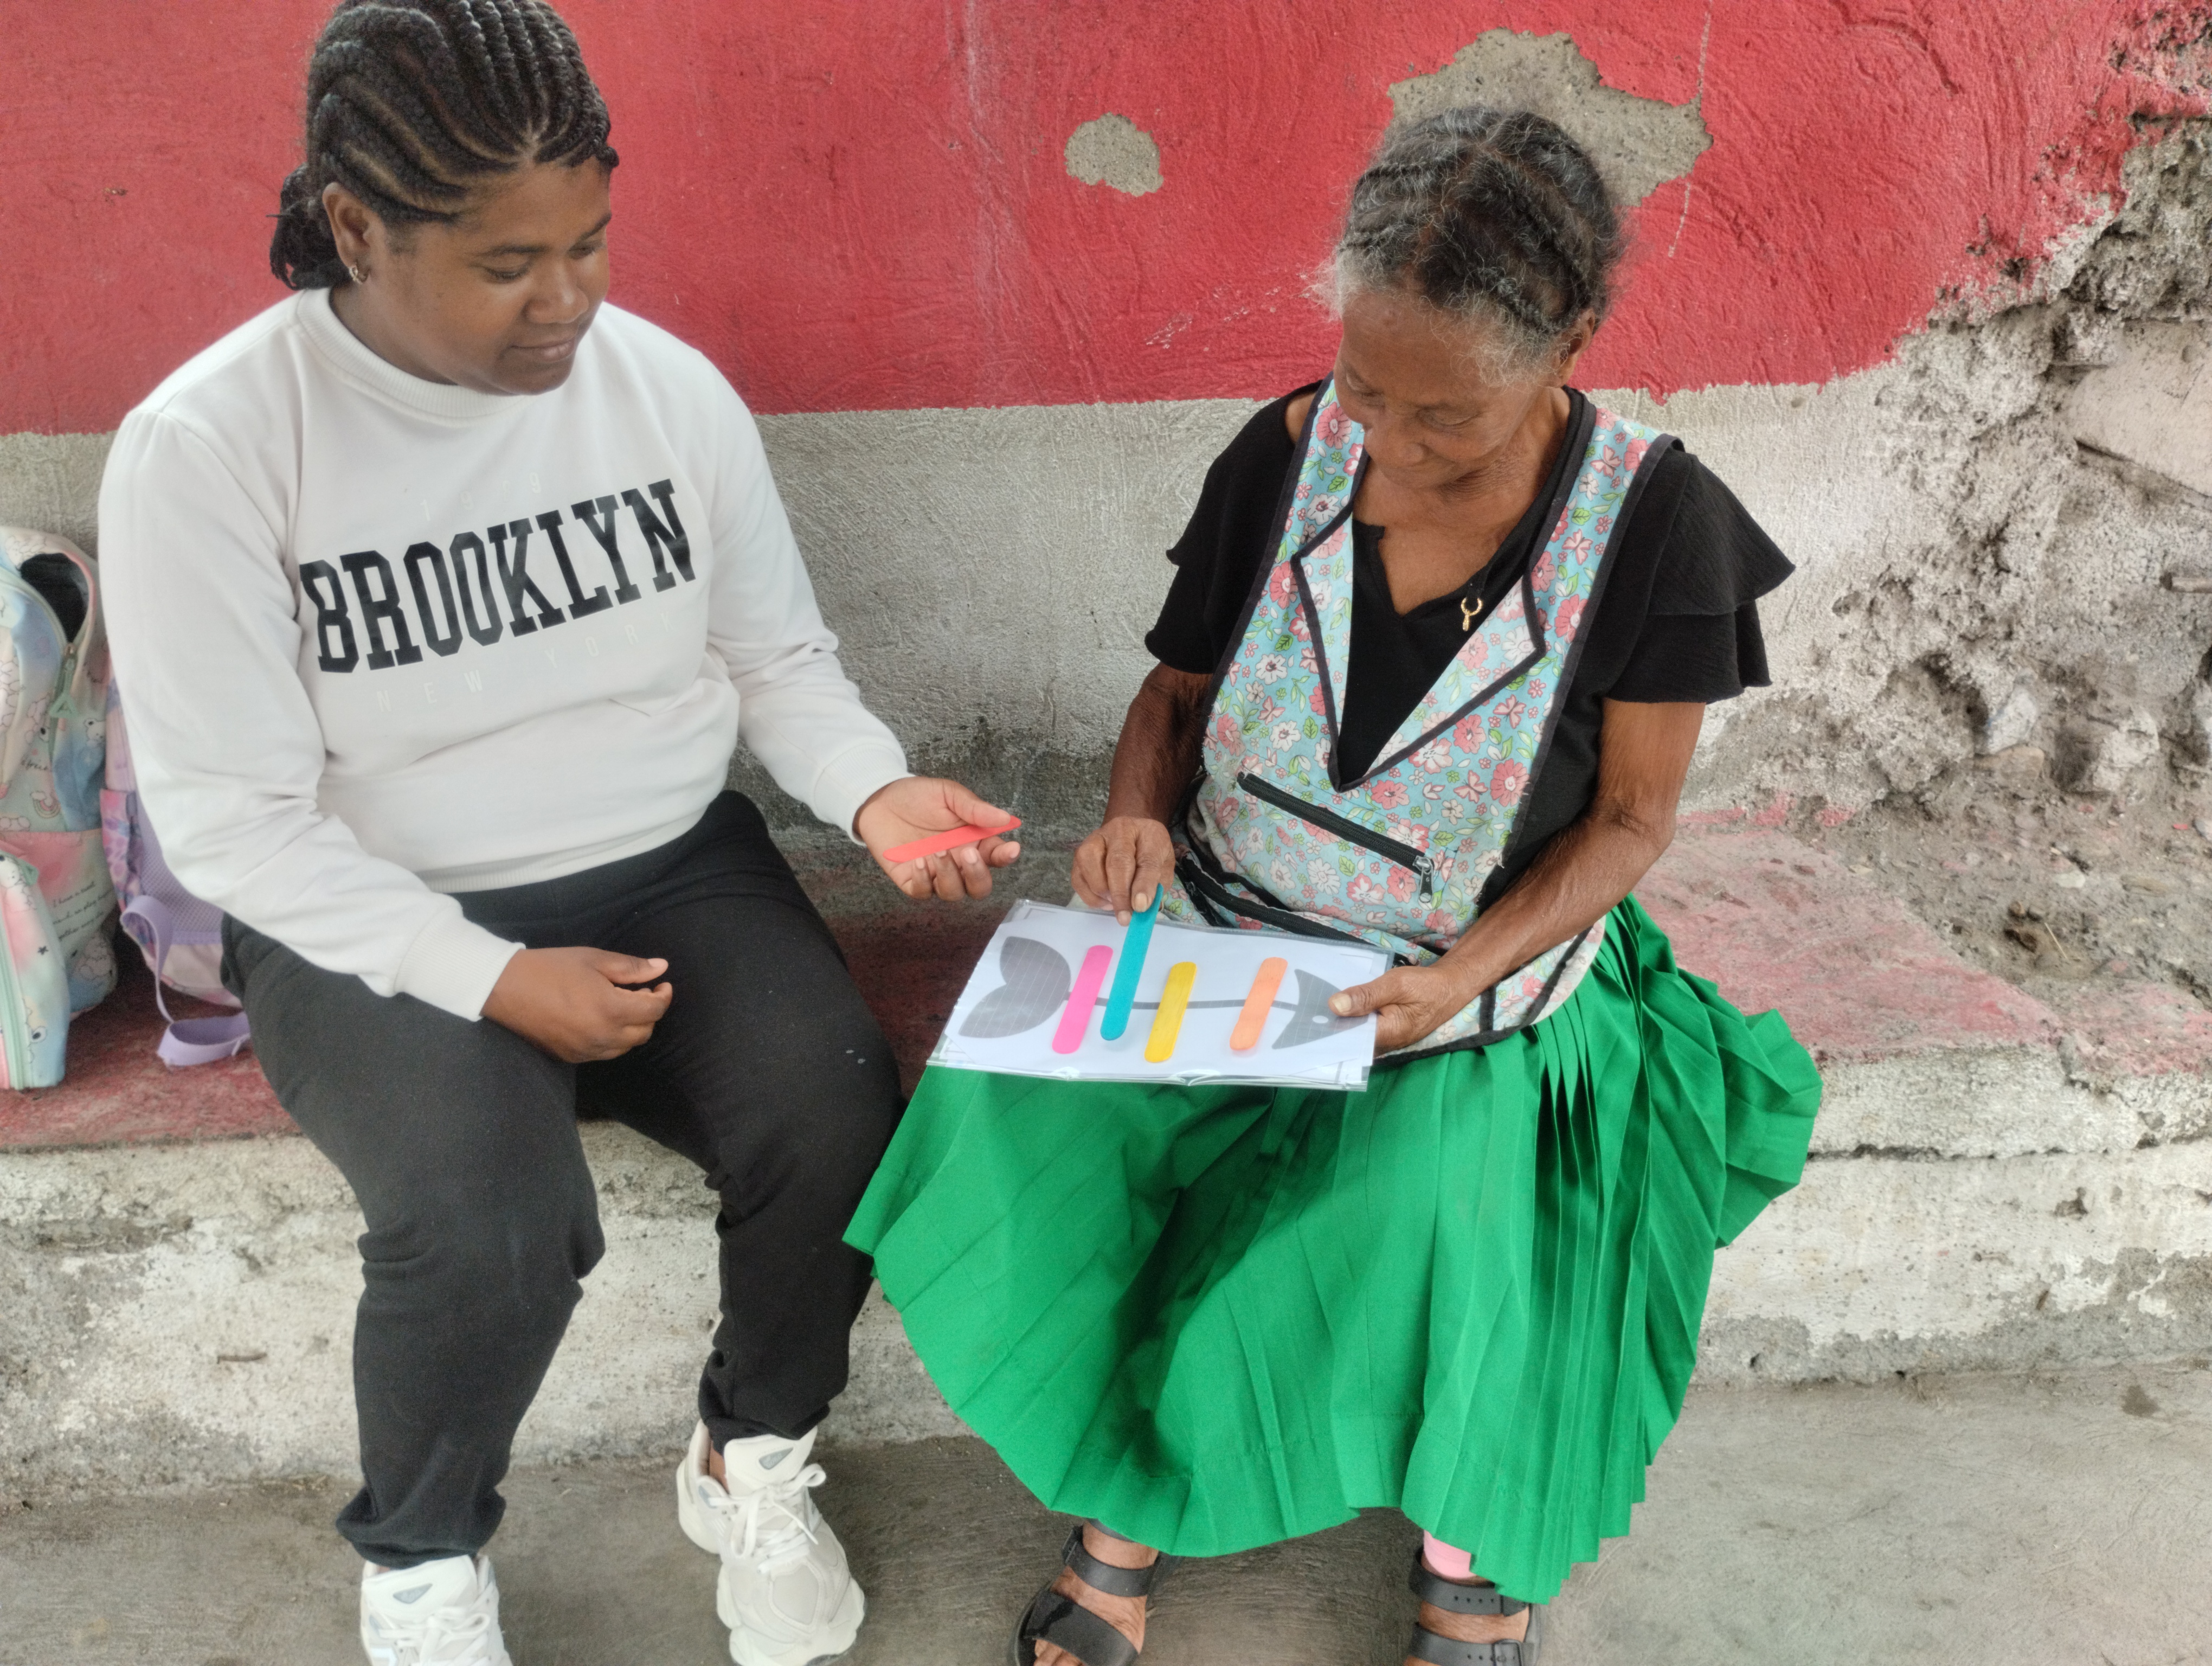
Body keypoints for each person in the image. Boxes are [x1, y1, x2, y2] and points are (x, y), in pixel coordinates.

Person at [97, 4, 1018, 1663]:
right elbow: (233, 821)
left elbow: (771, 661)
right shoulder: (212, 447)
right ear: (357, 230)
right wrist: (488, 979)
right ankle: (423, 1557)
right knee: (491, 1212)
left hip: (667, 858)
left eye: (588, 244)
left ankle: (751, 1453)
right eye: (506, 264)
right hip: (364, 903)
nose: (567, 302)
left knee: (834, 1112)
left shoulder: (661, 393)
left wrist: (869, 789)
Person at [846, 107, 1823, 1665]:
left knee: (1411, 1194)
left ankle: (1462, 1541)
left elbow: (1630, 826)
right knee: (1021, 1112)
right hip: (1227, 933)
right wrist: (1135, 821)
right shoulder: (1291, 447)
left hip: (1470, 973)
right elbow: (1175, 697)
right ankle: (1131, 1477)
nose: (1391, 444)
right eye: (1369, 385)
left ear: (1570, 345)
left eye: (1449, 415)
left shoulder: (1654, 524)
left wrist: (1454, 979)